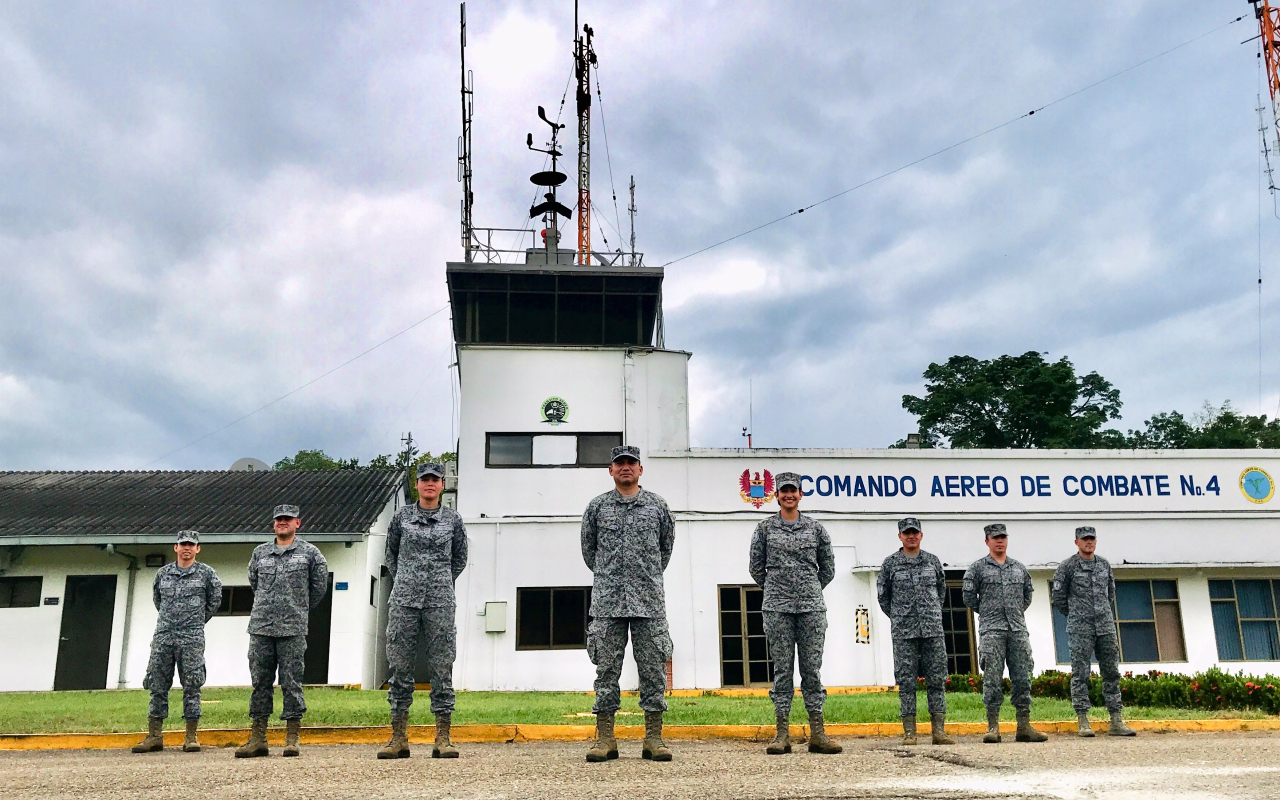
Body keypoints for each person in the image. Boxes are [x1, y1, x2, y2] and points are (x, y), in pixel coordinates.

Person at [580, 445, 676, 762]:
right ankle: (605, 739)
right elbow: (589, 553)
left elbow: (665, 550)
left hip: (649, 602)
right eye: (619, 463)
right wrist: (611, 576)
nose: (625, 467)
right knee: (606, 671)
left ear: (640, 469)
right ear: (611, 470)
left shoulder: (658, 507)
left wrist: (645, 575)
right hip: (608, 602)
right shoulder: (597, 508)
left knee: (653, 671)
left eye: (631, 463)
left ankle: (654, 739)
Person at [378, 463, 469, 759]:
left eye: (435, 480)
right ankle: (398, 738)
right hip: (404, 601)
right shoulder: (401, 517)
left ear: (442, 485)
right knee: (400, 667)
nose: (430, 484)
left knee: (442, 667)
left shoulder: (453, 520)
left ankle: (443, 738)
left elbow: (459, 558)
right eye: (424, 479)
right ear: (416, 485)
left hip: (440, 601)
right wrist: (407, 580)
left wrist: (439, 582)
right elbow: (391, 554)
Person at [748, 472, 841, 755]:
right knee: (782, 671)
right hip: (777, 609)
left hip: (811, 608)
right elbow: (756, 568)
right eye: (784, 491)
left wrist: (808, 588)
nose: (789, 495)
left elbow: (828, 568)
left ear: (801, 494)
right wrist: (778, 589)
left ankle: (818, 734)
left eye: (793, 490)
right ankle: (782, 735)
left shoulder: (816, 529)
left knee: (811, 670)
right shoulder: (764, 529)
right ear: (776, 495)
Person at [235, 504, 329, 758]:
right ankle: (258, 738)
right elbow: (254, 582)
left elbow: (318, 588)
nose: (282, 522)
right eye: (278, 519)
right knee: (260, 682)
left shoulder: (310, 554)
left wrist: (297, 607)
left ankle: (292, 737)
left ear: (298, 523)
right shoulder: (260, 553)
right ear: (273, 523)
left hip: (292, 627)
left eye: (288, 519)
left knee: (291, 682)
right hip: (261, 627)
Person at [131, 530, 222, 754]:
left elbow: (214, 601)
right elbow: (158, 600)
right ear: (176, 547)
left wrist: (195, 622)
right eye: (182, 544)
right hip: (164, 636)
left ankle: (191, 736)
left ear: (197, 548)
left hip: (191, 637)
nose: (186, 548)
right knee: (157, 685)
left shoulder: (207, 574)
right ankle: (154, 736)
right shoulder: (163, 574)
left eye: (191, 544)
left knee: (192, 685)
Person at [962, 523, 1047, 744]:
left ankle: (1024, 726)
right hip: (992, 631)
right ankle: (993, 727)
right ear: (987, 541)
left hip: (1017, 630)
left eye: (1003, 537)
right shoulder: (977, 569)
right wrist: (989, 612)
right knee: (992, 678)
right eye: (995, 538)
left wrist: (1014, 612)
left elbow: (1027, 595)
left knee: (1023, 677)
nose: (999, 541)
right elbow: (969, 597)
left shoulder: (1019, 568)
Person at [1051, 525, 1136, 738]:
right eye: (1084, 539)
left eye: (1092, 539)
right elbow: (1058, 598)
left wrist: (1101, 613)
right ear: (1076, 542)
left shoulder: (1104, 565)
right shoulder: (1067, 567)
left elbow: (1110, 593)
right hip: (1081, 628)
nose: (1089, 542)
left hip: (1105, 627)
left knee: (1111, 672)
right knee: (1080, 673)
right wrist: (1076, 614)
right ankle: (1083, 720)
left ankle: (1116, 720)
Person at [877, 518, 953, 746]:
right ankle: (910, 732)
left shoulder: (932, 561)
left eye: (915, 532)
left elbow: (941, 591)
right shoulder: (890, 564)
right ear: (900, 536)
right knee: (906, 682)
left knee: (936, 680)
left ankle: (938, 731)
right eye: (906, 533)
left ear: (921, 535)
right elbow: (883, 597)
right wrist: (900, 617)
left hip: (932, 631)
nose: (911, 536)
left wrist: (932, 614)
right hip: (904, 632)